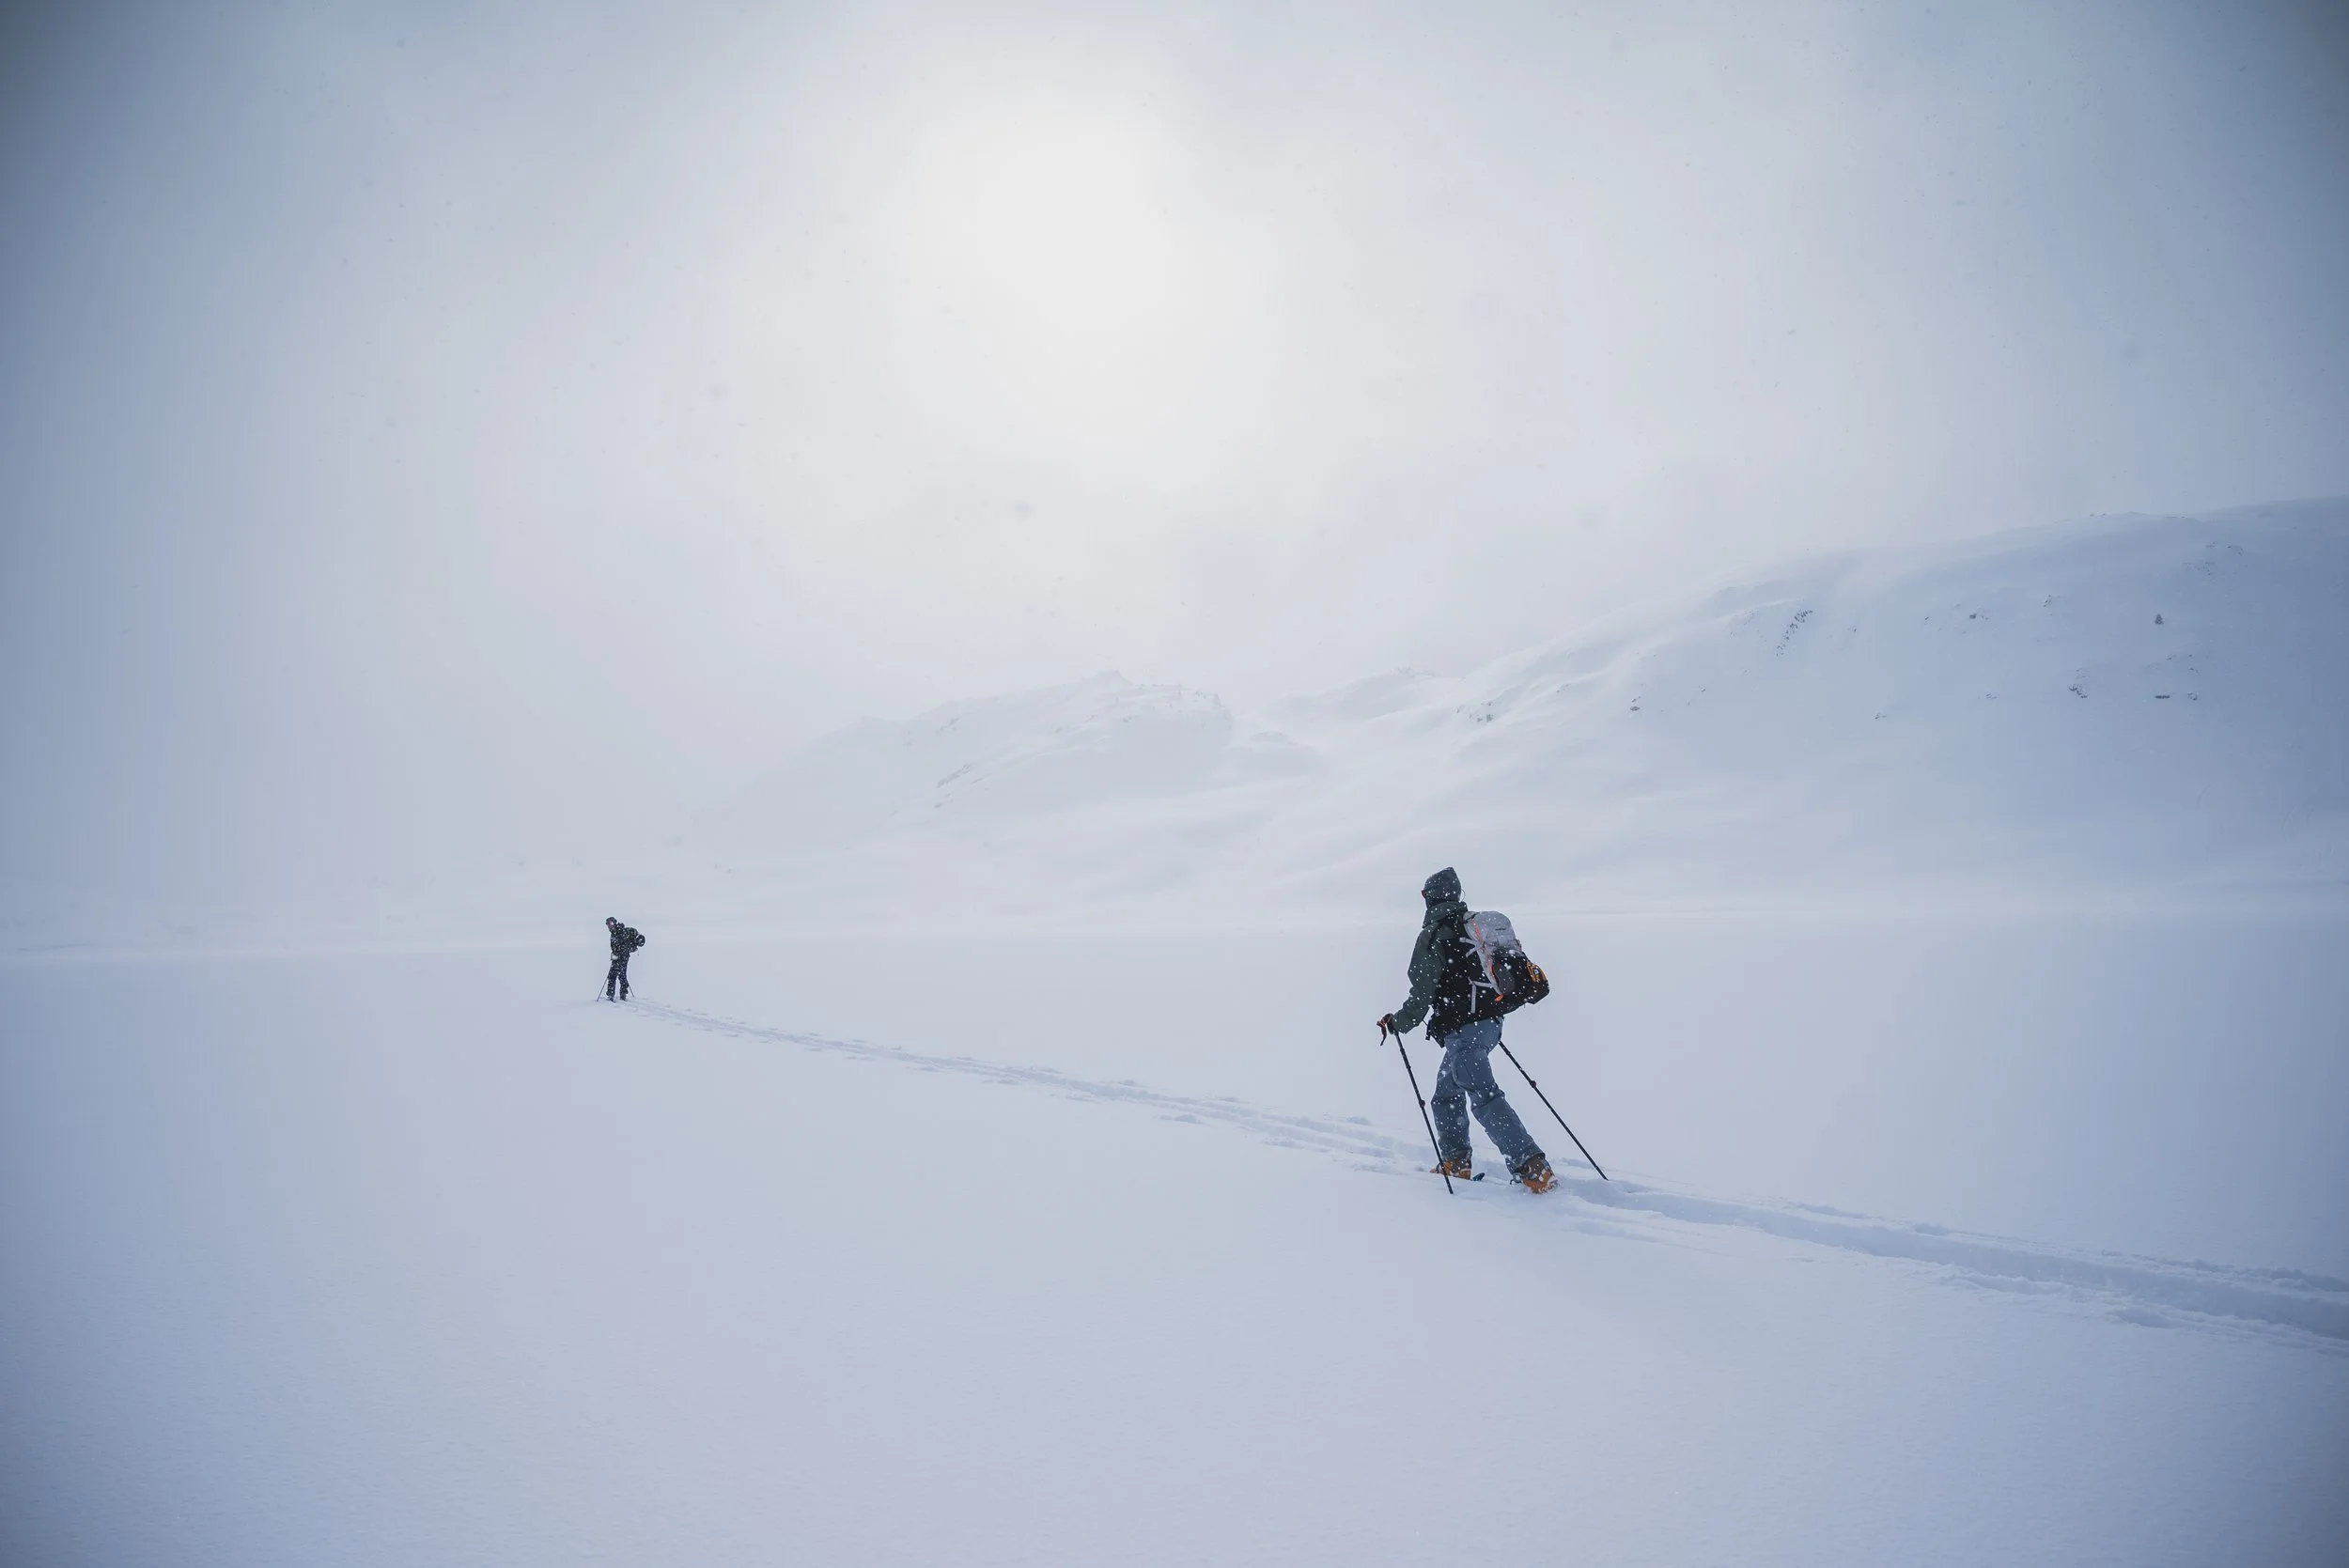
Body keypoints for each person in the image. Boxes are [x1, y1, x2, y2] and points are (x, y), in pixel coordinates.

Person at [1378, 868, 1555, 1192]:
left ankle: (1532, 1166)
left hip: (1465, 1031)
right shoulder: (1472, 929)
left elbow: (1421, 994)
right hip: (1489, 1025)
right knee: (1445, 1096)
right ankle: (1456, 1161)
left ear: (1430, 897)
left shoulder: (1434, 935)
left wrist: (1399, 1022)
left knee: (1485, 1098)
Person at [603, 916, 646, 1001]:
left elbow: (623, 945)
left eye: (611, 923)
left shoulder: (620, 931)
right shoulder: (614, 932)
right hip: (620, 956)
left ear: (615, 923)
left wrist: (619, 952)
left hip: (621, 956)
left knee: (614, 975)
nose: (609, 926)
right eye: (607, 924)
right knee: (621, 974)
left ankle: (613, 995)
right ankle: (622, 994)